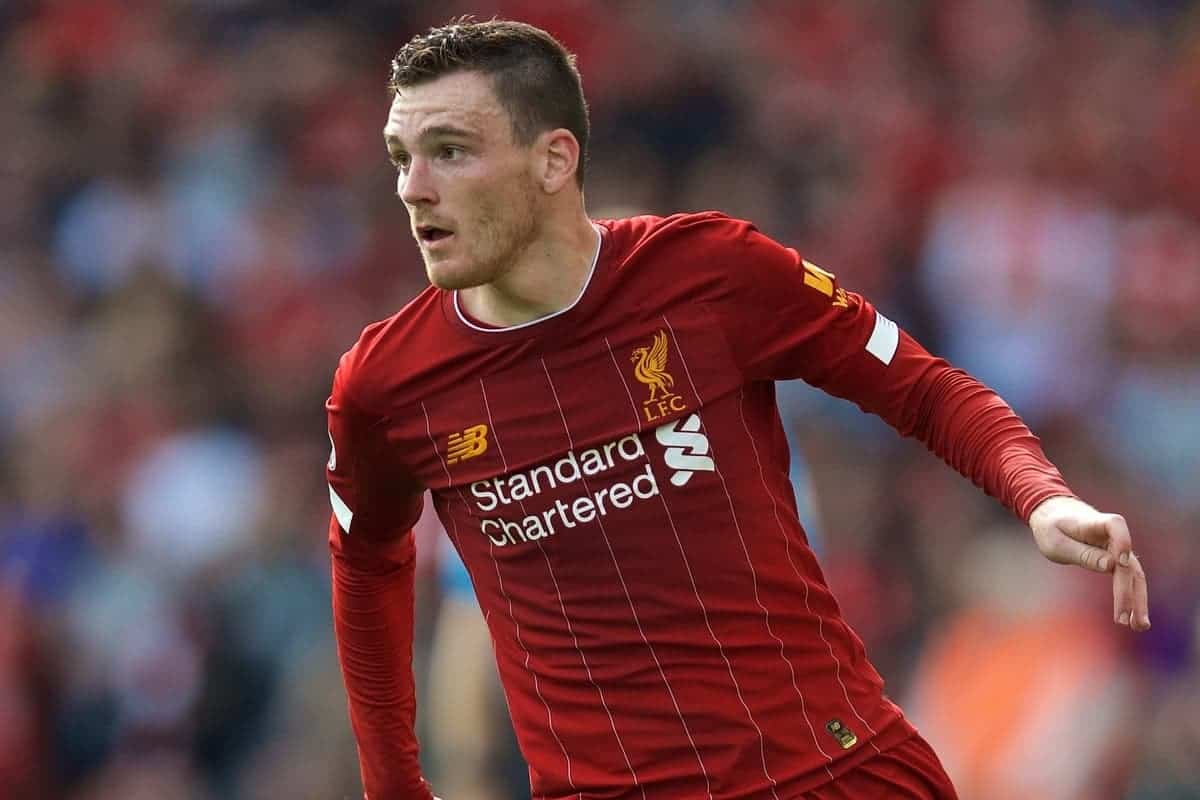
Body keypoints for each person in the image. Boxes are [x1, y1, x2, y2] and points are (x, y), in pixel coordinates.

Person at [324, 17, 1150, 800]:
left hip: (834, 771)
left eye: (450, 152)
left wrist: (1038, 493)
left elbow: (924, 387)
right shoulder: (388, 387)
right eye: (402, 157)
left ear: (553, 161)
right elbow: (365, 571)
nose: (414, 188)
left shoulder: (712, 273)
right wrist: (394, 786)